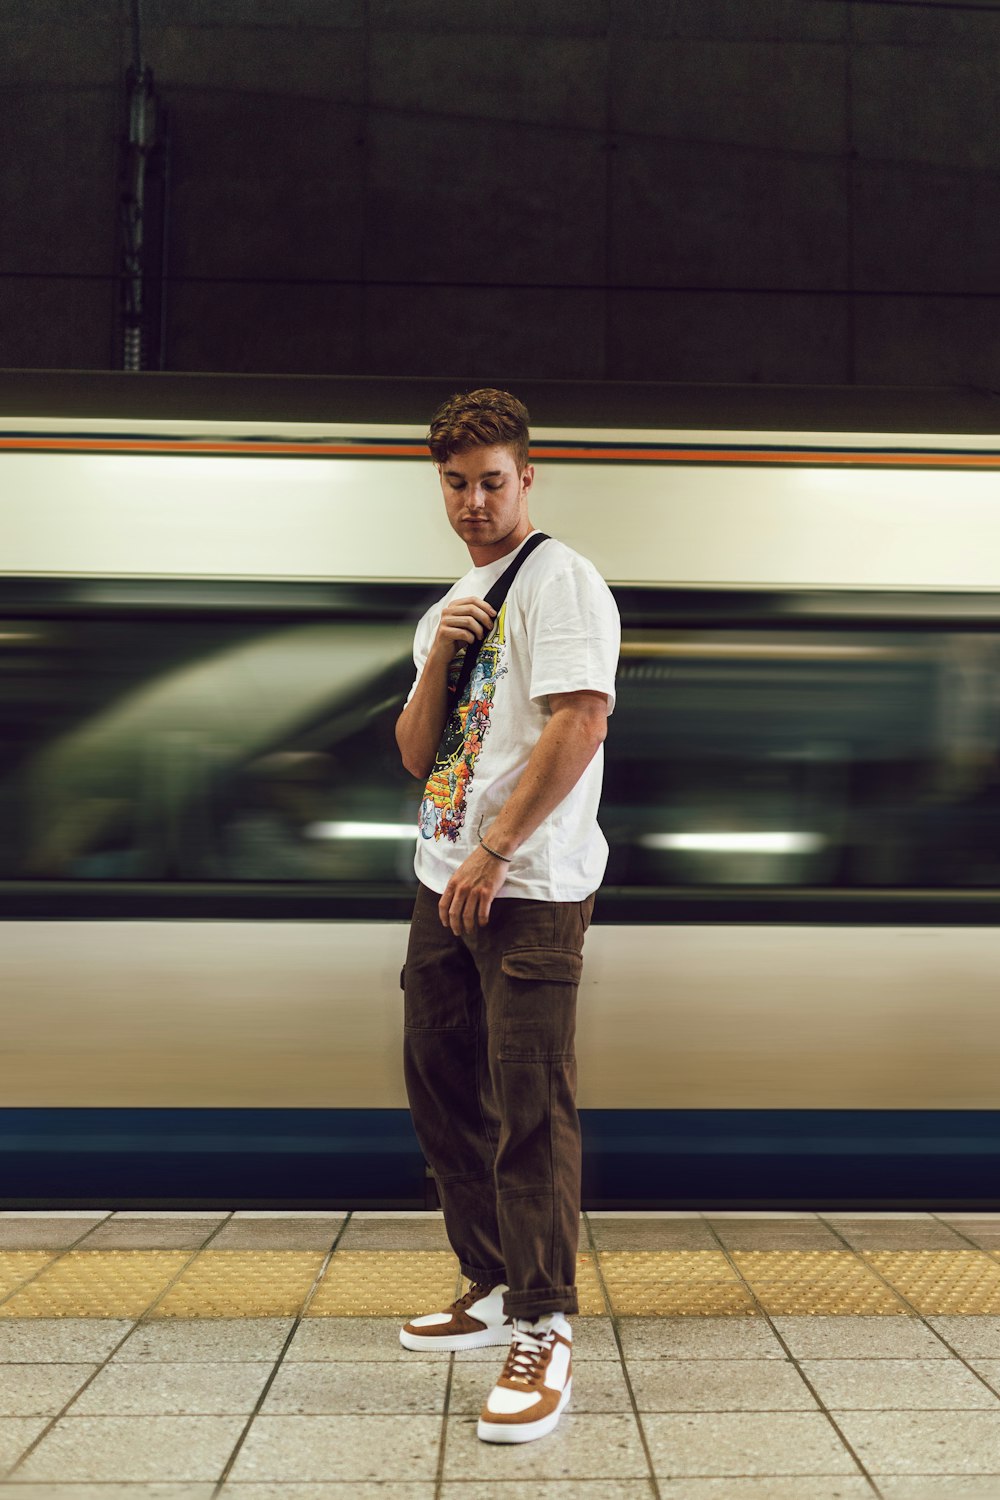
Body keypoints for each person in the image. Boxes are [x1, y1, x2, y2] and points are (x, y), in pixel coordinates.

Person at [394, 389, 620, 1445]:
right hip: (443, 882)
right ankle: (488, 1285)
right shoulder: (454, 600)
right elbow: (416, 752)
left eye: (492, 480)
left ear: (527, 478)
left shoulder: (561, 583)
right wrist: (442, 651)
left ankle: (543, 1323)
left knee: (530, 1107)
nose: (474, 500)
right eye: (456, 483)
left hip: (526, 892)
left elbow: (577, 725)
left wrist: (494, 850)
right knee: (442, 1089)